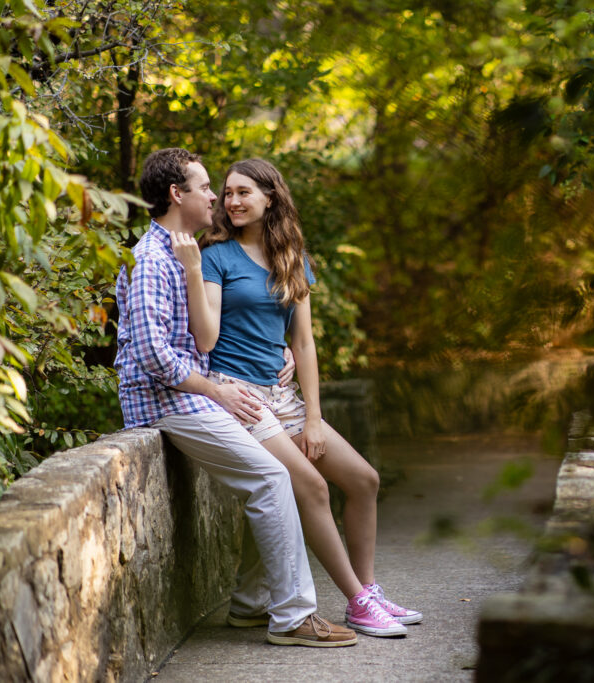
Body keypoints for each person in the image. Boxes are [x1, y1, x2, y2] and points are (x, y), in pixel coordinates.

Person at [170, 158, 422, 637]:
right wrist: (193, 271)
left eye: (244, 192)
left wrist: (314, 418)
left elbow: (303, 343)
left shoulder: (294, 258)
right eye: (226, 193)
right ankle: (359, 600)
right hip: (241, 395)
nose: (232, 201)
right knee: (312, 486)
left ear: (271, 197)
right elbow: (208, 335)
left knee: (365, 480)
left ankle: (366, 594)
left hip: (285, 396)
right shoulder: (216, 255)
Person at [115, 148, 357, 647]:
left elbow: (208, 337)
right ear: (177, 194)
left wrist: (278, 355)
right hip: (167, 403)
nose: (216, 198)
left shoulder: (182, 253)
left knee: (273, 479)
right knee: (273, 477)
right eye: (207, 188)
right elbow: (152, 357)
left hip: (200, 395)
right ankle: (291, 617)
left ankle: (249, 606)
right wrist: (216, 389)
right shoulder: (148, 260)